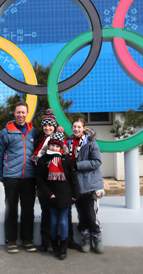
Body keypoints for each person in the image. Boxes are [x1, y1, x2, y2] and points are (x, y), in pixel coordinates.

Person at [31, 109, 81, 252]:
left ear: (54, 126)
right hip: (45, 184)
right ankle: (46, 241)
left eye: (50, 125)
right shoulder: (39, 139)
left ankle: (68, 240)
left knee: (66, 216)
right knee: (46, 213)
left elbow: (68, 162)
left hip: (63, 187)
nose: (47, 128)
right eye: (45, 125)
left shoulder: (60, 140)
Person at [0, 101, 39, 254]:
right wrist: (2, 176)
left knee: (28, 209)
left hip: (29, 177)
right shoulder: (6, 131)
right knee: (11, 209)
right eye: (18, 112)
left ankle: (27, 239)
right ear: (14, 113)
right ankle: (11, 240)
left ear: (27, 113)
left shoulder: (33, 131)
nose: (21, 115)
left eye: (23, 112)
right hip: (11, 177)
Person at [66, 118, 105, 254]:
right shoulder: (68, 143)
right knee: (81, 213)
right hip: (75, 185)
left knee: (92, 213)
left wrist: (77, 165)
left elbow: (96, 161)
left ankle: (97, 238)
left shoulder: (91, 143)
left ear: (84, 128)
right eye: (74, 127)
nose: (76, 129)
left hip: (90, 184)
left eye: (79, 127)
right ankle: (86, 239)